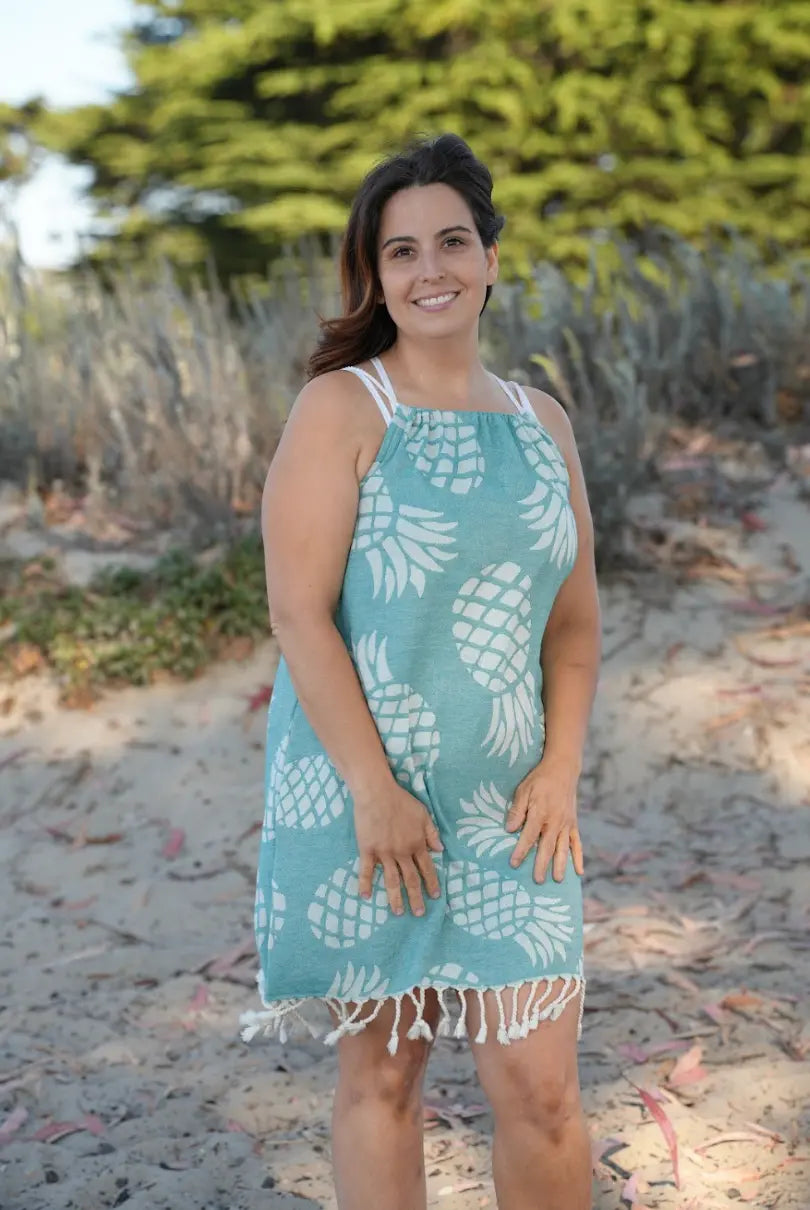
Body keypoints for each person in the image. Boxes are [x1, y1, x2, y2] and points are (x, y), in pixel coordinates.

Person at [240, 132, 602, 1210]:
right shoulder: (343, 407)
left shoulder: (543, 423)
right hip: (369, 798)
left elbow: (573, 625)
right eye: (401, 251)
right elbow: (299, 614)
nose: (429, 269)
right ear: (376, 275)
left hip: (516, 806)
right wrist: (374, 789)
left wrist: (561, 770)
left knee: (543, 1092)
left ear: (491, 258)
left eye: (451, 241)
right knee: (385, 1079)